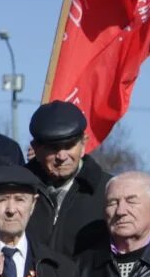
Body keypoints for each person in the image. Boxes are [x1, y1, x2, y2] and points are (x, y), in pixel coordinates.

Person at [25, 101, 111, 257]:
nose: (62, 157)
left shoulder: (108, 192)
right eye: (53, 148)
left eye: (69, 145)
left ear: (84, 143)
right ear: (36, 149)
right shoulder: (17, 190)